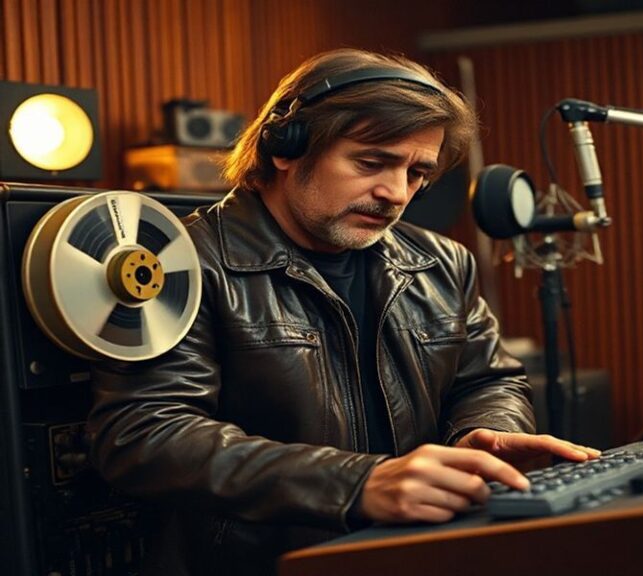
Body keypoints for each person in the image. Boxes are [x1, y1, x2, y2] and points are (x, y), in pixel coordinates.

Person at [88, 48, 599, 576]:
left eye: (417, 172)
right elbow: (144, 434)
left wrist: (481, 432)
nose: (395, 193)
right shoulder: (179, 262)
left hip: (417, 553)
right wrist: (355, 484)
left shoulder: (443, 262)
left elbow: (489, 381)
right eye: (372, 162)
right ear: (286, 148)